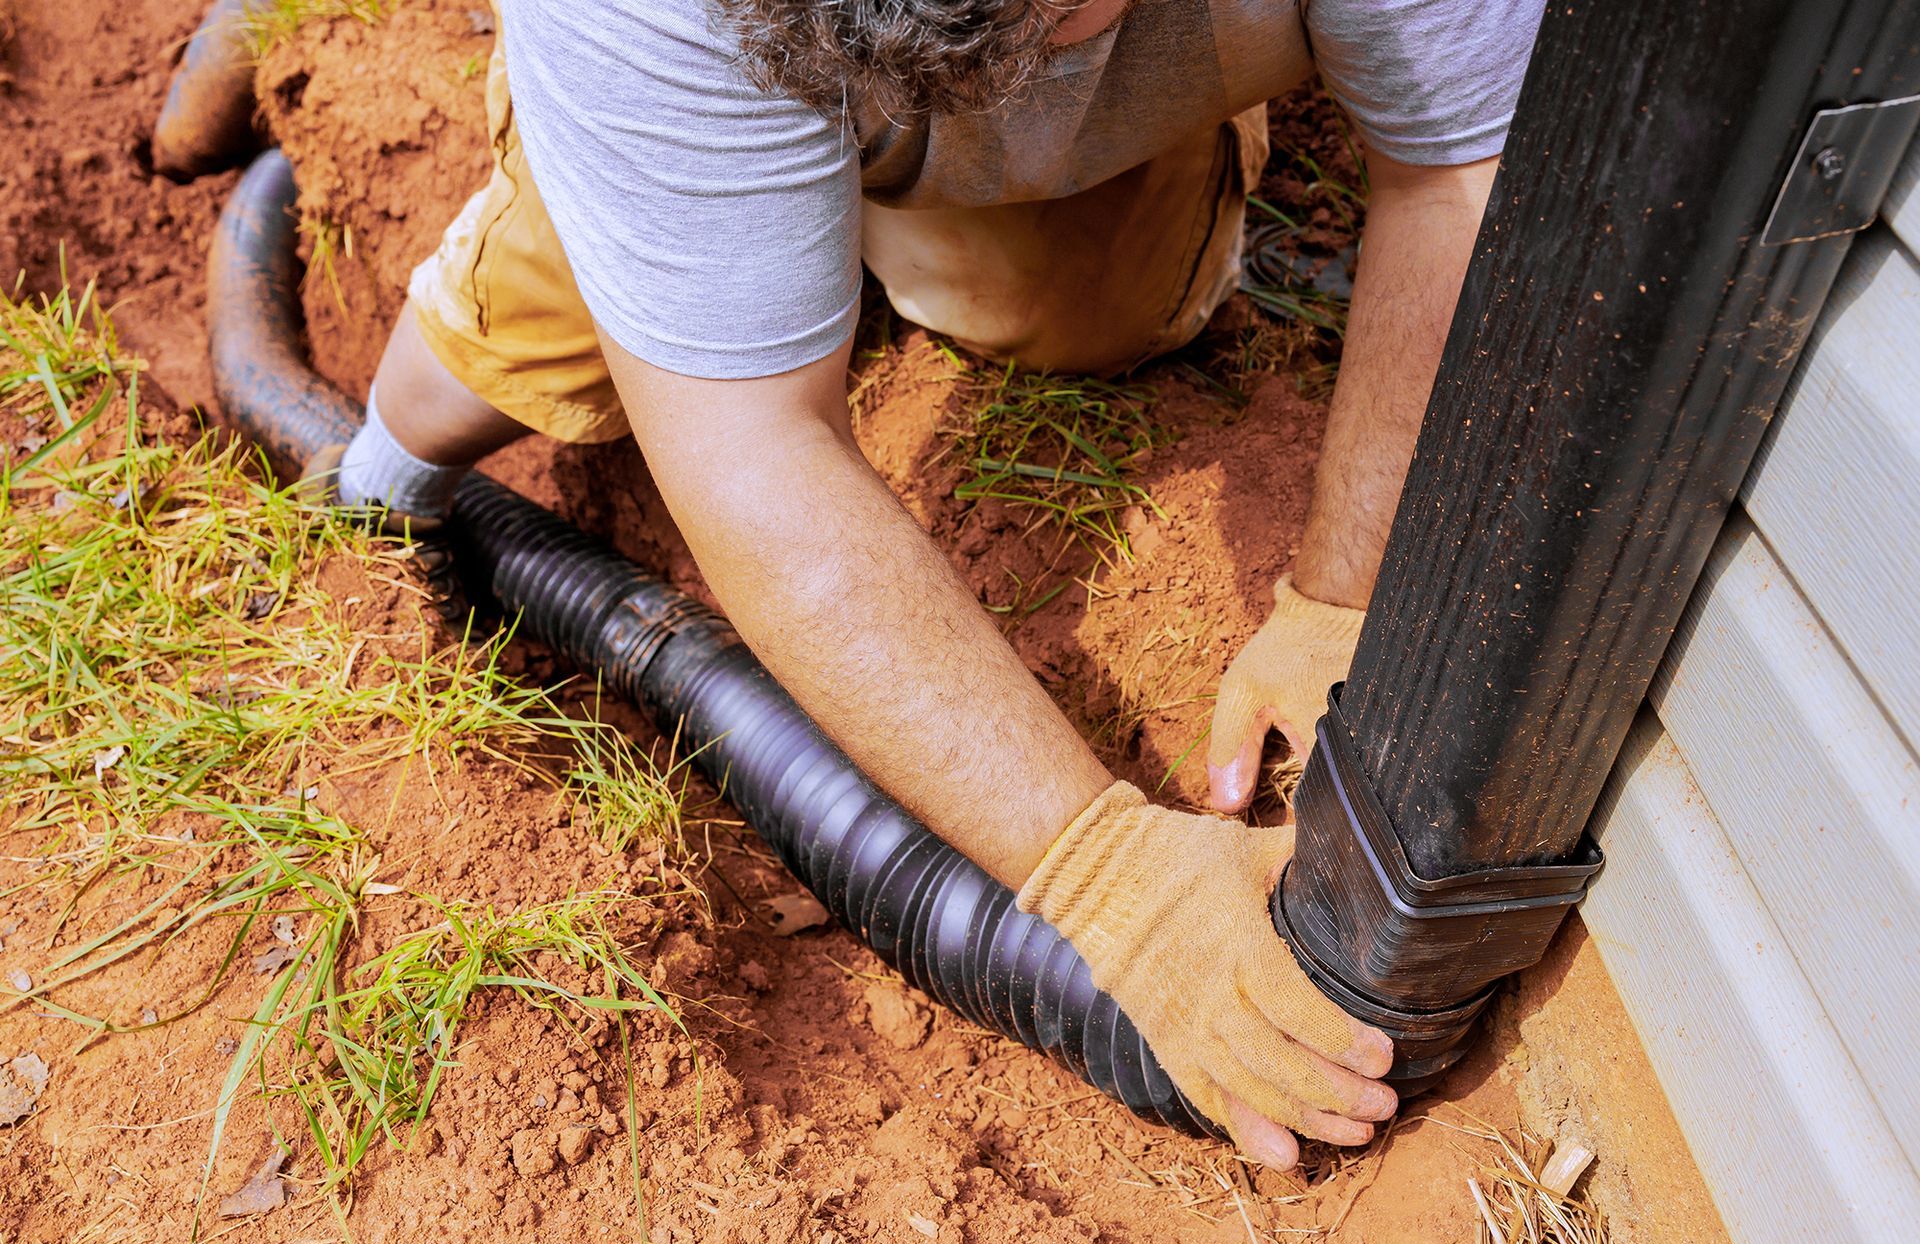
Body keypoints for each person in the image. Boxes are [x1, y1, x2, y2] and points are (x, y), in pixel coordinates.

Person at [311, 0, 1538, 1170]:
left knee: (1098, 312)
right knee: (536, 326)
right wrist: (1111, 881)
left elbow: (1465, 175)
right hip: (710, 76)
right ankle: (366, 478)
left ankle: (838, 248)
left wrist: (1349, 591)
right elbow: (754, 451)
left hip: (1060, 111)